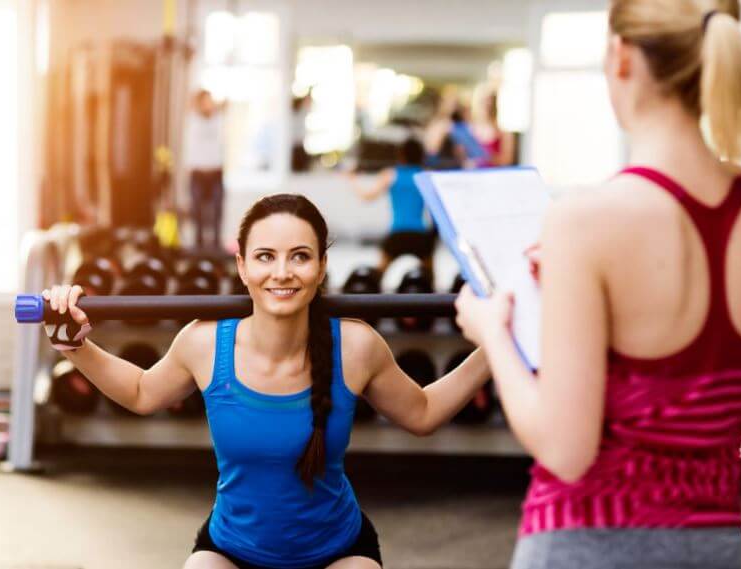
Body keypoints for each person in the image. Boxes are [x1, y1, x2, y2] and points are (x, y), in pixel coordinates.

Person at [454, 1, 741, 568]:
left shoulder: (585, 218)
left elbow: (566, 450)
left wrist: (494, 331)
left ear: (621, 56)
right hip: (713, 547)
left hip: (584, 545)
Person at [43, 194, 492, 569]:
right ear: (242, 266)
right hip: (231, 552)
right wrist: (74, 345)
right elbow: (142, 393)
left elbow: (424, 413)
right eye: (265, 256)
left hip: (337, 553)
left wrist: (498, 342)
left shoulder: (355, 346)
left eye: (300, 256)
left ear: (320, 267)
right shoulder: (204, 343)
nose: (282, 272)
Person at [347, 137, 436, 273]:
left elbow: (367, 197)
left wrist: (352, 180)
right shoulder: (426, 175)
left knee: (378, 276)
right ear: (421, 156)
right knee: (431, 281)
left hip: (397, 234)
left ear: (401, 155)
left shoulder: (390, 175)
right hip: (420, 235)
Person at [184, 89, 226, 250]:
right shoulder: (193, 120)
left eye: (210, 101)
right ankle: (199, 242)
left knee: (217, 209)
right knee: (197, 210)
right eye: (205, 101)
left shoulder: (219, 120)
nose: (208, 104)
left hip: (215, 172)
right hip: (198, 172)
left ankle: (216, 243)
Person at [472, 91, 515, 168]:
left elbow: (507, 160)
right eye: (483, 103)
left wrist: (486, 157)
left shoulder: (504, 133)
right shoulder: (470, 130)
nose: (487, 106)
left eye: (490, 103)